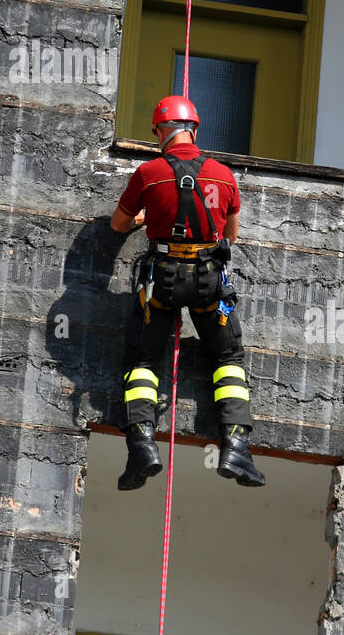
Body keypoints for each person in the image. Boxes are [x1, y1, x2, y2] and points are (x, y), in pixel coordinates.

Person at [110, 95, 265, 491]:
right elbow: (229, 236)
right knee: (227, 356)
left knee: (143, 357)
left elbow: (118, 224)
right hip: (209, 280)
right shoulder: (223, 175)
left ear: (161, 132)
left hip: (160, 278)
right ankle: (235, 447)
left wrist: (148, 218)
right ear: (194, 129)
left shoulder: (149, 173)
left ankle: (143, 445)